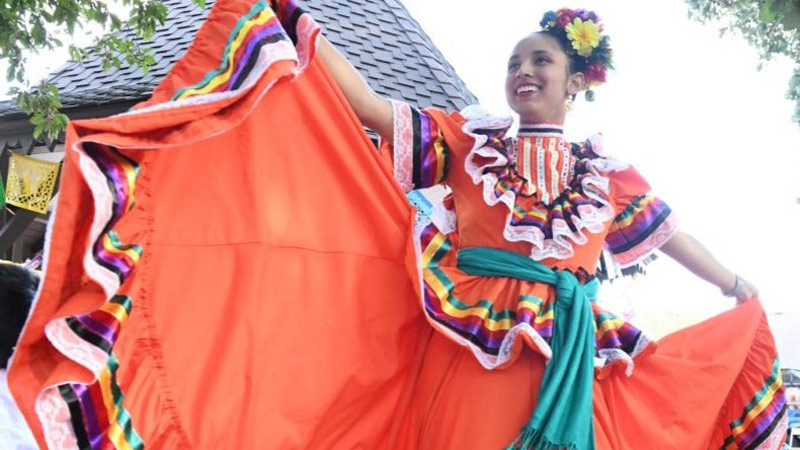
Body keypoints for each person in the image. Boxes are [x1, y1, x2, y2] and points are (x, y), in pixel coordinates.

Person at [7, 1, 786, 449]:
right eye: (516, 58)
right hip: (469, 341)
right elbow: (374, 111)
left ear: (577, 81)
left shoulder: (607, 171)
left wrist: (734, 284)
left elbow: (671, 232)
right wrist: (300, 26)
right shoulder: (468, 139)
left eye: (542, 61)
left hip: (569, 348)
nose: (524, 70)